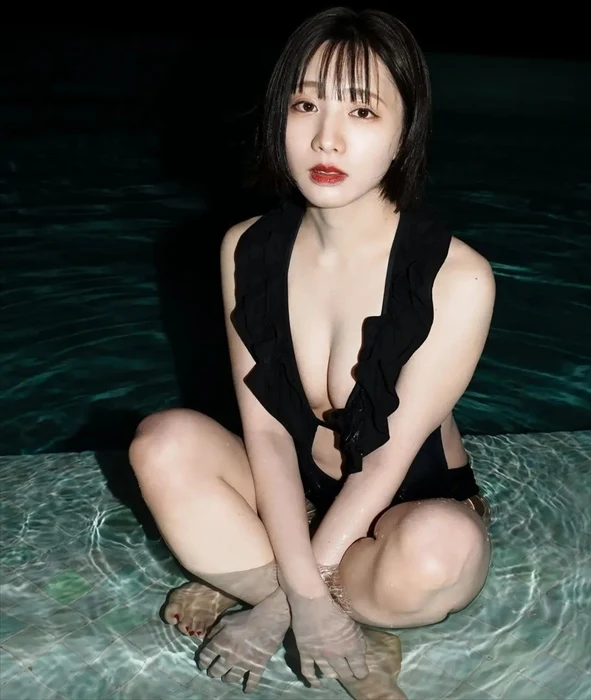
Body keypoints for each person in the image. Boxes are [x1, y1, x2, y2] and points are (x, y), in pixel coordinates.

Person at [129, 6, 495, 698]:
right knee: (162, 443)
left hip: (400, 513)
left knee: (441, 547)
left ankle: (288, 597)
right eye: (305, 105)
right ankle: (338, 620)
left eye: (362, 111)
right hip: (292, 506)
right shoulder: (248, 248)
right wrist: (302, 598)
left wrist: (274, 612)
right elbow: (266, 433)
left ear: (405, 132)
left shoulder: (457, 277)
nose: (326, 138)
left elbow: (384, 463)